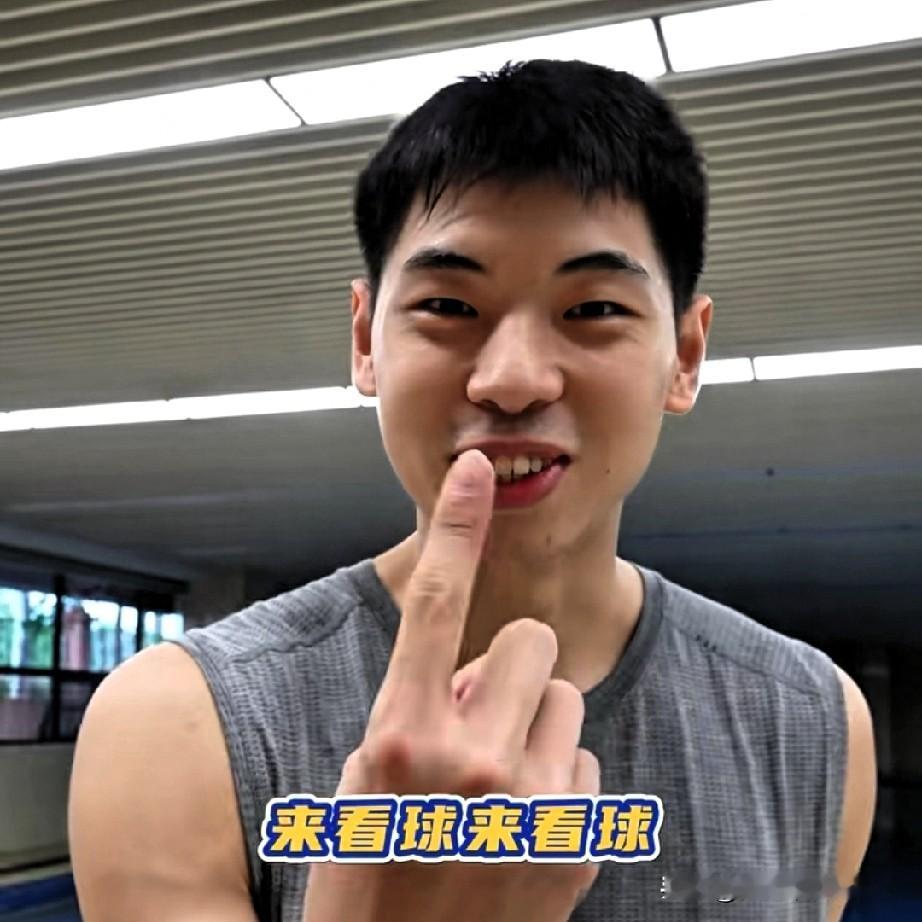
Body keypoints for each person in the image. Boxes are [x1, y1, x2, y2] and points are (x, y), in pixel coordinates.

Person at [68, 60, 876, 922]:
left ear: (684, 354)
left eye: (594, 310)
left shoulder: (813, 723)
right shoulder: (181, 724)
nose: (513, 381)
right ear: (364, 342)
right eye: (449, 308)